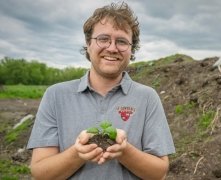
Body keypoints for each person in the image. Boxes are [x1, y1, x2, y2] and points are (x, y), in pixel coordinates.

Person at [27, 2, 175, 180]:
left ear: (131, 50)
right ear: (88, 44)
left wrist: (124, 151)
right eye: (103, 39)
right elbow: (40, 173)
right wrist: (78, 152)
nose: (112, 48)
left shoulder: (147, 97)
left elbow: (159, 173)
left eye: (121, 41)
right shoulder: (56, 95)